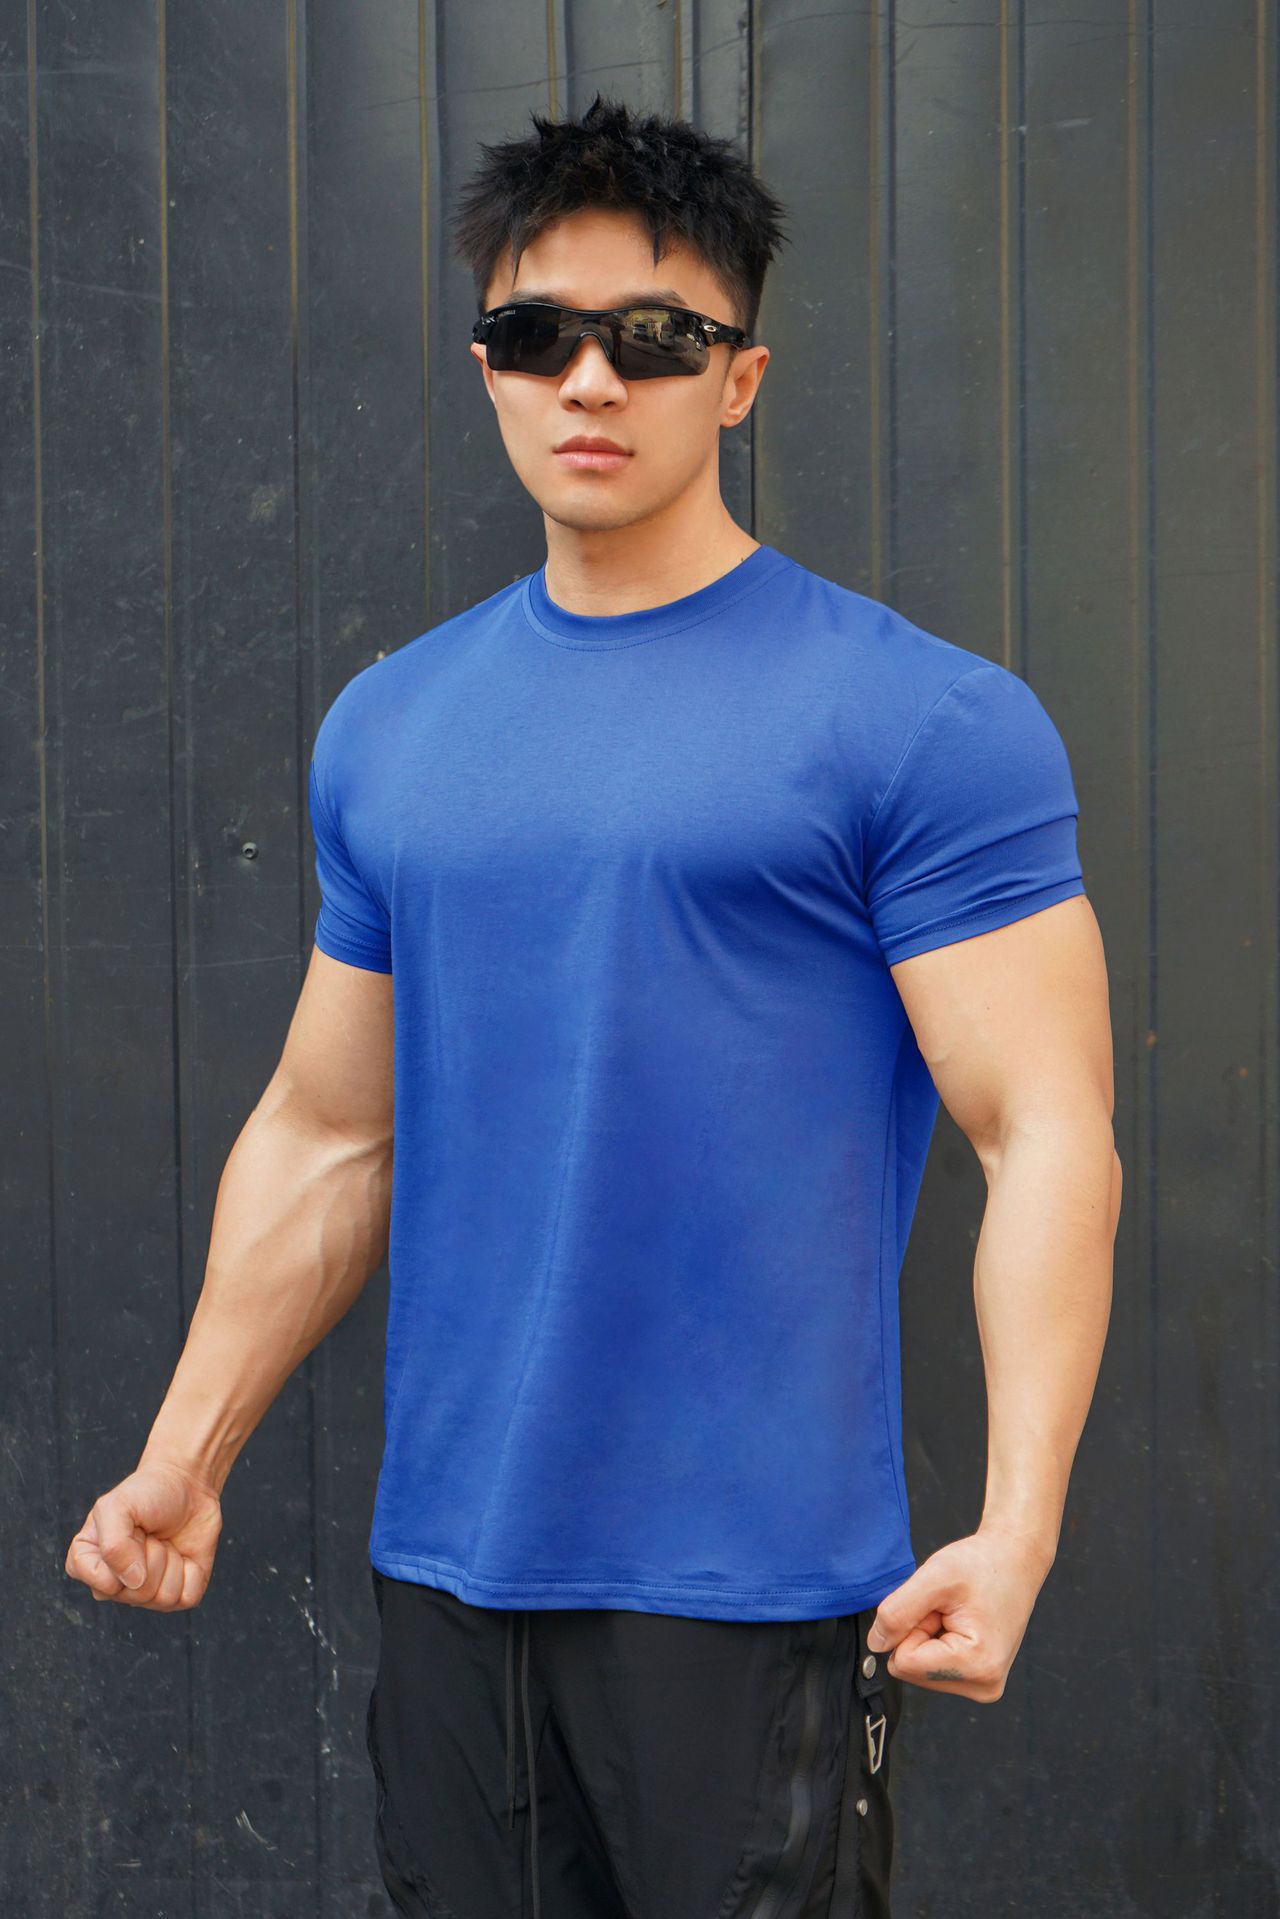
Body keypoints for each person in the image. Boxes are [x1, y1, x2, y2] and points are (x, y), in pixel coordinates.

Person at [65, 92, 1119, 1919]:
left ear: (741, 378)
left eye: (654, 338)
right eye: (538, 334)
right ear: (485, 363)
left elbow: (1045, 1129)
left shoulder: (922, 723)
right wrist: (186, 1453)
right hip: (451, 1574)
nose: (591, 380)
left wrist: (1019, 1527)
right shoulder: (394, 725)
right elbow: (330, 1129)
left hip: (751, 1586)